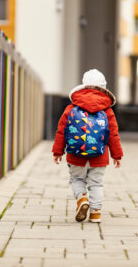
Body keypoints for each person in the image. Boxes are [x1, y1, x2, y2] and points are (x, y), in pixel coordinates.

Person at [52, 69, 123, 223]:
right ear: (104, 89)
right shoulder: (107, 109)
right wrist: (117, 155)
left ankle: (82, 199)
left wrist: (57, 151)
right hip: (99, 156)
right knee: (96, 183)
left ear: (83, 86)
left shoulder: (72, 107)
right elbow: (113, 134)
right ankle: (96, 212)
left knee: (77, 179)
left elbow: (61, 130)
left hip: (75, 155)